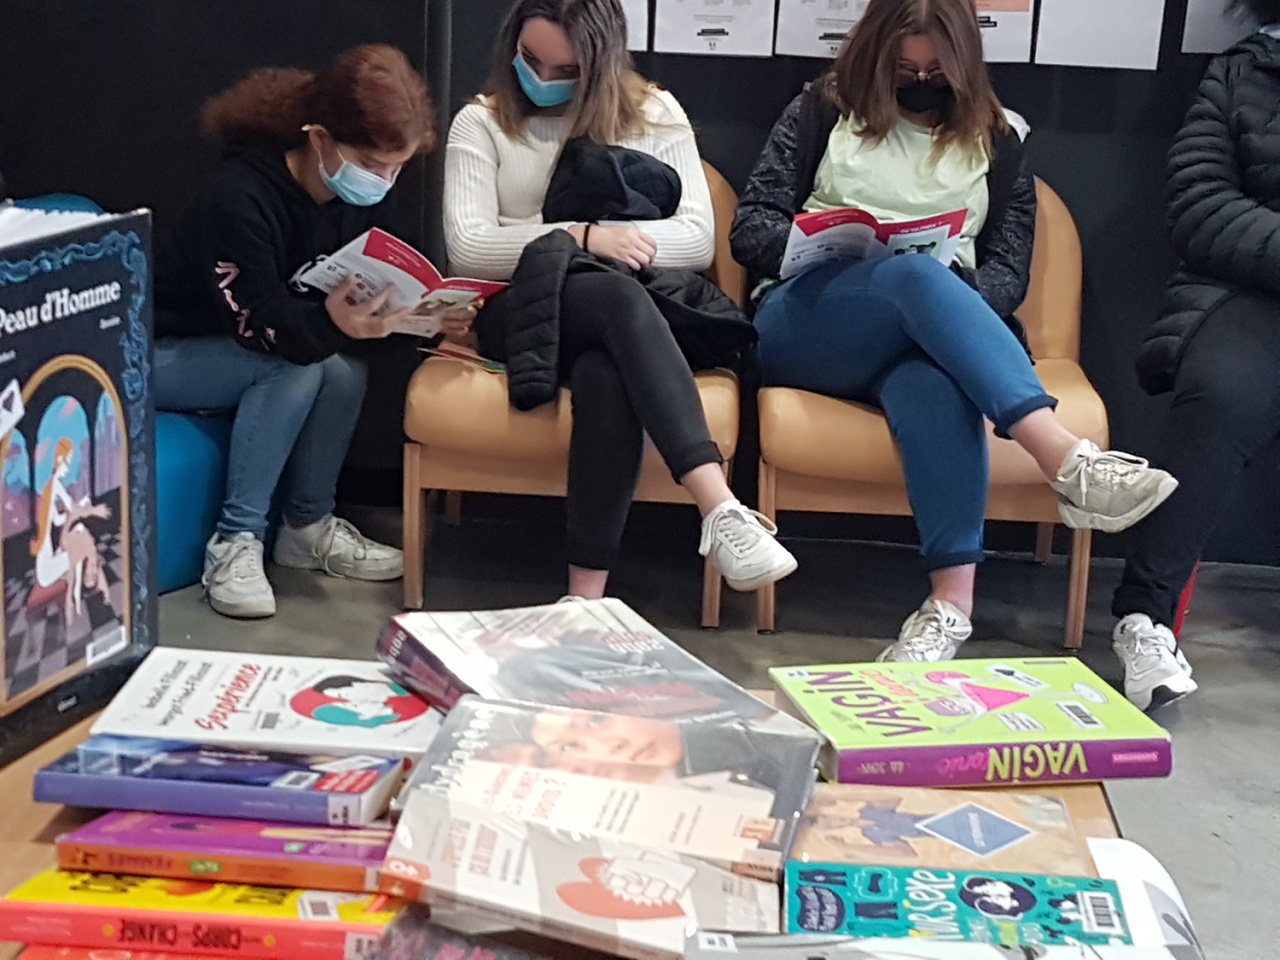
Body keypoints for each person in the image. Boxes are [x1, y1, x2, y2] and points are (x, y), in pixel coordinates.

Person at [729, 0, 1178, 663]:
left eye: (935, 71)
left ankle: (948, 609)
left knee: (935, 379)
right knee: (912, 277)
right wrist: (821, 241)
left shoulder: (999, 140)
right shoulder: (822, 111)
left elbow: (1006, 276)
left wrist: (945, 290)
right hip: (809, 319)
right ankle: (1064, 458)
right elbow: (750, 230)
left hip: (923, 329)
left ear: (963, 63)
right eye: (904, 68)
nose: (919, 81)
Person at [442, 0, 797, 600]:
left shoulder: (655, 113)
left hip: (622, 310)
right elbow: (471, 248)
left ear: (601, 64)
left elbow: (696, 238)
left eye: (566, 70)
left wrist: (576, 240)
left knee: (607, 367)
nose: (543, 79)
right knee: (613, 291)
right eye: (530, 60)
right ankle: (718, 505)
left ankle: (584, 598)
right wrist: (580, 238)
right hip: (522, 310)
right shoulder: (480, 122)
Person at [154, 45, 472, 619]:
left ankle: (305, 528)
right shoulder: (239, 197)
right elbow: (263, 328)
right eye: (371, 164)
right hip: (165, 354)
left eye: (397, 168)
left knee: (344, 373)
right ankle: (235, 541)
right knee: (296, 368)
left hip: (248, 348)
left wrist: (423, 318)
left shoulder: (354, 202)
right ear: (320, 138)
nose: (383, 182)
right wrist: (332, 322)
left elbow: (344, 314)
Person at [1106, 0, 1280, 711]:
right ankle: (1144, 617)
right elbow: (1198, 205)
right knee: (1223, 397)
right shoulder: (1243, 71)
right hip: (1247, 290)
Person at [31, 436, 112, 620]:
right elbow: (70, 511)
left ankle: (77, 593)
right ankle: (84, 588)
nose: (68, 467)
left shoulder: (51, 488)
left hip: (51, 549)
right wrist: (93, 510)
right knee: (80, 549)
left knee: (80, 547)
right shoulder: (54, 485)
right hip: (45, 558)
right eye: (67, 461)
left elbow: (59, 519)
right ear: (59, 460)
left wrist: (79, 509)